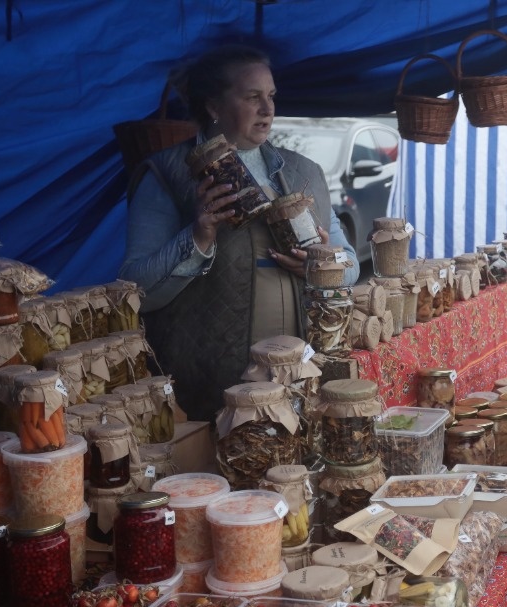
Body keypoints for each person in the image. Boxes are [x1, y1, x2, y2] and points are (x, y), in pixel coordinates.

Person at [119, 44, 359, 421]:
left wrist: (322, 265)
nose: (268, 109)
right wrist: (198, 235)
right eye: (252, 97)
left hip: (297, 369)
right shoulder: (168, 175)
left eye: (271, 96)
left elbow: (350, 267)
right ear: (214, 107)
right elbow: (134, 290)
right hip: (207, 373)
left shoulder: (303, 172)